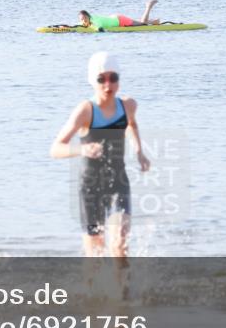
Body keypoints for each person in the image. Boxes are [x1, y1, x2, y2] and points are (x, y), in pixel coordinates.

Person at [51, 52, 151, 257]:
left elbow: (131, 124)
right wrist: (82, 149)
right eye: (101, 79)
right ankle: (93, 288)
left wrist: (139, 151)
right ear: (93, 81)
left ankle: (123, 288)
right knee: (95, 253)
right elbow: (56, 148)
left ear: (119, 80)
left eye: (113, 78)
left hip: (118, 181)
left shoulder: (128, 106)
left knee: (120, 244)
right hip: (91, 187)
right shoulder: (85, 111)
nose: (108, 85)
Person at [79, 0, 159, 31]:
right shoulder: (89, 19)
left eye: (84, 18)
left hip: (120, 21)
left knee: (143, 23)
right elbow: (81, 25)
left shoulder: (94, 21)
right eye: (81, 19)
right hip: (115, 17)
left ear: (88, 16)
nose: (83, 21)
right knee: (138, 22)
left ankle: (149, 6)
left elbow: (100, 28)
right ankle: (154, 21)